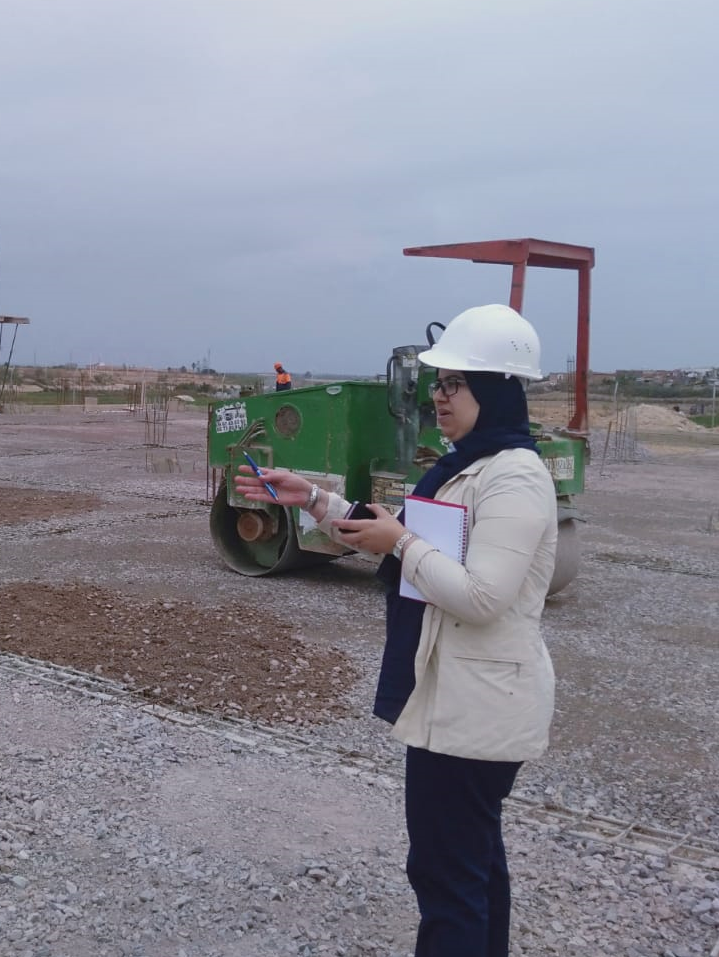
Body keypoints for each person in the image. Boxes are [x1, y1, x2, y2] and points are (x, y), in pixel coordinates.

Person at [235, 304, 557, 957]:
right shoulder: (470, 462)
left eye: (452, 384)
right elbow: (398, 539)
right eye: (434, 384)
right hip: (457, 699)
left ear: (494, 388)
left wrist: (403, 540)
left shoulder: (513, 476)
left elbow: (480, 595)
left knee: (447, 877)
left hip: (476, 709)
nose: (436, 396)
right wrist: (315, 500)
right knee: (472, 865)